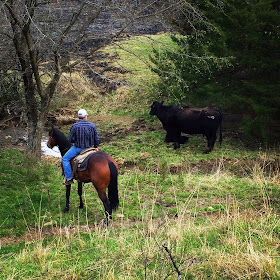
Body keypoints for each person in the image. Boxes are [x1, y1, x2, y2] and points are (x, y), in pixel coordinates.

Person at [62, 109, 100, 185]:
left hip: (77, 149)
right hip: (90, 149)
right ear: (85, 116)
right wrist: (95, 146)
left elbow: (71, 139)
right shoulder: (92, 125)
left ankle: (69, 178)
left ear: (79, 117)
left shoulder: (74, 126)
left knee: (65, 159)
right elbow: (97, 139)